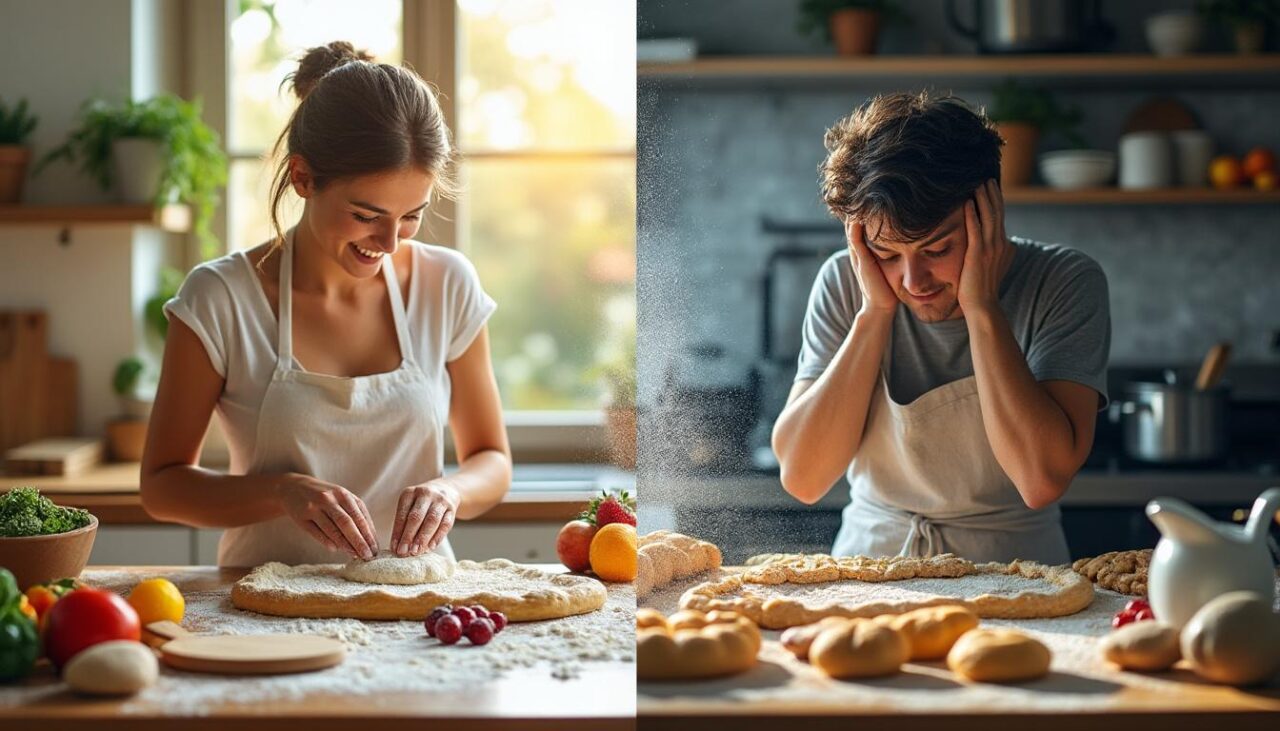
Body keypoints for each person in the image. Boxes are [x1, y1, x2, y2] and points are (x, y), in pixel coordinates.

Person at [140, 41, 511, 567]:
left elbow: (491, 460)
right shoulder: (220, 298)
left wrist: (451, 491)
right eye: (366, 215)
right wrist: (282, 491)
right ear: (303, 178)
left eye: (411, 216)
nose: (389, 242)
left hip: (416, 603)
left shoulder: (446, 284)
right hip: (264, 604)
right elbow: (162, 486)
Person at [772, 92, 1110, 565]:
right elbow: (802, 477)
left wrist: (983, 306)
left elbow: (1041, 480)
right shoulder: (846, 282)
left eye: (937, 249)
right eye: (887, 254)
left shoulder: (1064, 281)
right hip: (870, 569)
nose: (913, 282)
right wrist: (873, 316)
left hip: (1019, 573)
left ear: (989, 213)